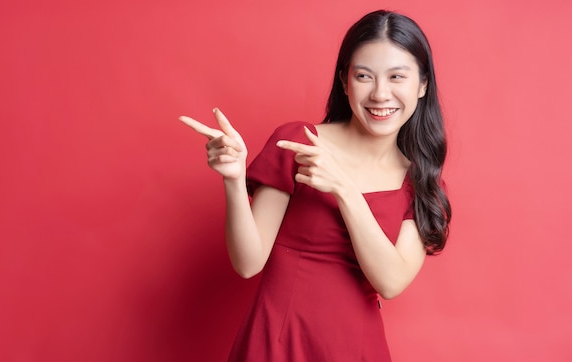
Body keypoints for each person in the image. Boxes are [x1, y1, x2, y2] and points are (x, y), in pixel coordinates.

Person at [179, 9, 451, 362]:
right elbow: (248, 263)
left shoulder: (422, 182)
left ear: (422, 85)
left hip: (356, 348)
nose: (380, 94)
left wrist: (345, 190)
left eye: (397, 76)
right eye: (364, 76)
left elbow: (391, 281)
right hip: (275, 342)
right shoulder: (298, 143)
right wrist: (233, 179)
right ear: (344, 81)